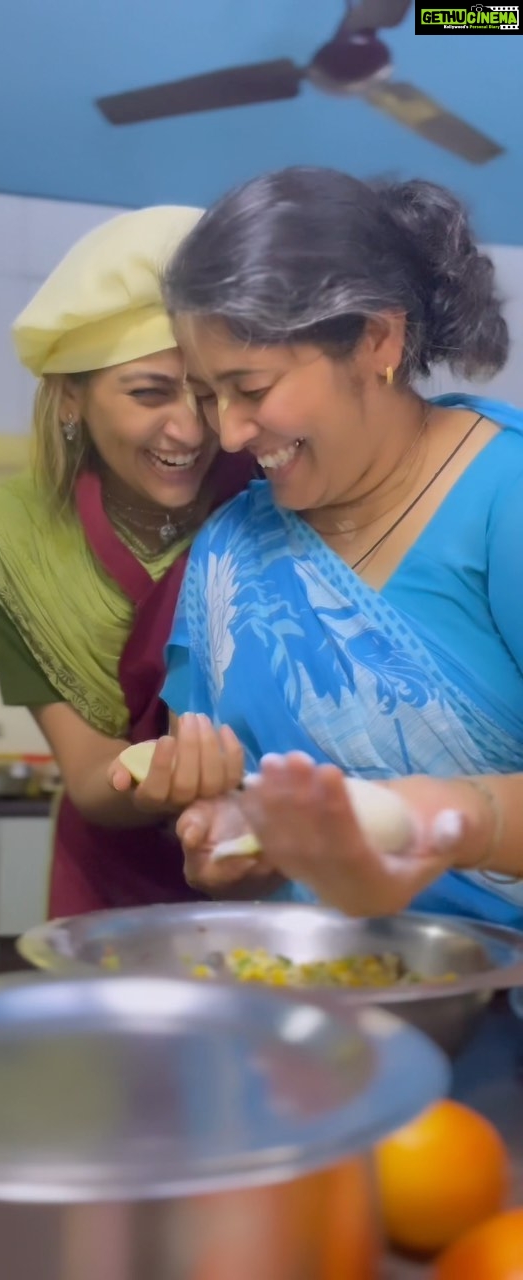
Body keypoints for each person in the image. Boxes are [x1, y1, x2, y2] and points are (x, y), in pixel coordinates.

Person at [146, 166, 523, 926]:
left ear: (377, 339)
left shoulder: (503, 497)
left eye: (250, 389)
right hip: (313, 1010)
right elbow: (252, 825)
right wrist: (235, 848)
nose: (228, 433)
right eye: (209, 394)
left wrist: (442, 820)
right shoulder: (230, 552)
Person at [0, 207, 252, 922]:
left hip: (274, 861)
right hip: (115, 882)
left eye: (210, 393)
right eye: (148, 392)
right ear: (70, 397)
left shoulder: (268, 497)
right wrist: (163, 775)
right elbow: (91, 774)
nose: (190, 429)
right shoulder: (17, 545)